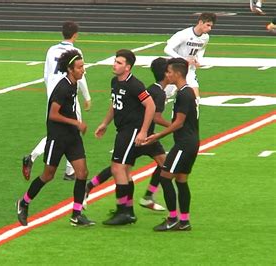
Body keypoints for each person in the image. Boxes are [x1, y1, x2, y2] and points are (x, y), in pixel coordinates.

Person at [16, 49, 95, 227]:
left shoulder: (74, 83)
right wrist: (76, 123)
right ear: (70, 69)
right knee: (48, 175)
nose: (83, 70)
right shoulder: (63, 87)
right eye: (80, 67)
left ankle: (76, 214)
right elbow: (53, 114)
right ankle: (24, 202)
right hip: (58, 138)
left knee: (82, 173)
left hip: (72, 137)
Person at [84, 57, 171, 212]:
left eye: (119, 62)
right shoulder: (155, 92)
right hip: (141, 136)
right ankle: (124, 206)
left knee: (162, 164)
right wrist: (174, 126)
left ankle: (144, 198)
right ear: (166, 74)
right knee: (120, 168)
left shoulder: (150, 88)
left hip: (146, 136)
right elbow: (154, 115)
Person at [22, 21, 91, 181]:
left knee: (59, 131)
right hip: (68, 93)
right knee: (72, 128)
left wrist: (51, 92)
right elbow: (81, 76)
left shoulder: (51, 50)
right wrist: (87, 97)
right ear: (75, 35)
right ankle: (62, 168)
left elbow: (45, 74)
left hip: (53, 95)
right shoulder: (75, 51)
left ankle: (67, 169)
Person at [94, 49, 155, 226]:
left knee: (118, 168)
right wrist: (105, 123)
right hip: (122, 129)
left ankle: (123, 212)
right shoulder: (115, 81)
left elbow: (150, 105)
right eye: (115, 61)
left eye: (119, 62)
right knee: (124, 170)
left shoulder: (134, 84)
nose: (115, 64)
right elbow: (115, 104)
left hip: (132, 130)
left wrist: (143, 132)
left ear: (128, 67)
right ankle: (128, 210)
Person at [144, 58, 200, 232]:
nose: (166, 75)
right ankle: (184, 221)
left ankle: (173, 218)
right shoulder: (188, 92)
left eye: (169, 72)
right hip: (191, 142)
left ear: (177, 73)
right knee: (181, 181)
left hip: (184, 143)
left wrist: (157, 135)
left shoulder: (184, 93)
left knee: (165, 177)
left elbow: (179, 122)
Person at [164, 12, 217, 99]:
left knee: (196, 99)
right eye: (208, 25)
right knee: (164, 97)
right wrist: (184, 60)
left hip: (189, 70)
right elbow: (167, 49)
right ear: (200, 22)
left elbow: (201, 49)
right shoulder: (184, 34)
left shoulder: (205, 37)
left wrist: (198, 60)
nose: (209, 28)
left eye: (211, 26)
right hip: (175, 70)